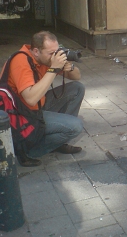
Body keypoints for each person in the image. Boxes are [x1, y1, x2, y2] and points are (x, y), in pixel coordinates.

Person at [5, 30, 85, 167]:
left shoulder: (44, 58)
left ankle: (58, 141)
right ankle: (28, 151)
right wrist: (53, 69)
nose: (54, 56)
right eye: (51, 53)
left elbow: (77, 77)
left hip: (36, 106)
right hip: (22, 115)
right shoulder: (21, 61)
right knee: (76, 126)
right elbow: (30, 99)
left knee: (77, 88)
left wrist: (68, 66)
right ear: (36, 51)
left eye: (56, 51)